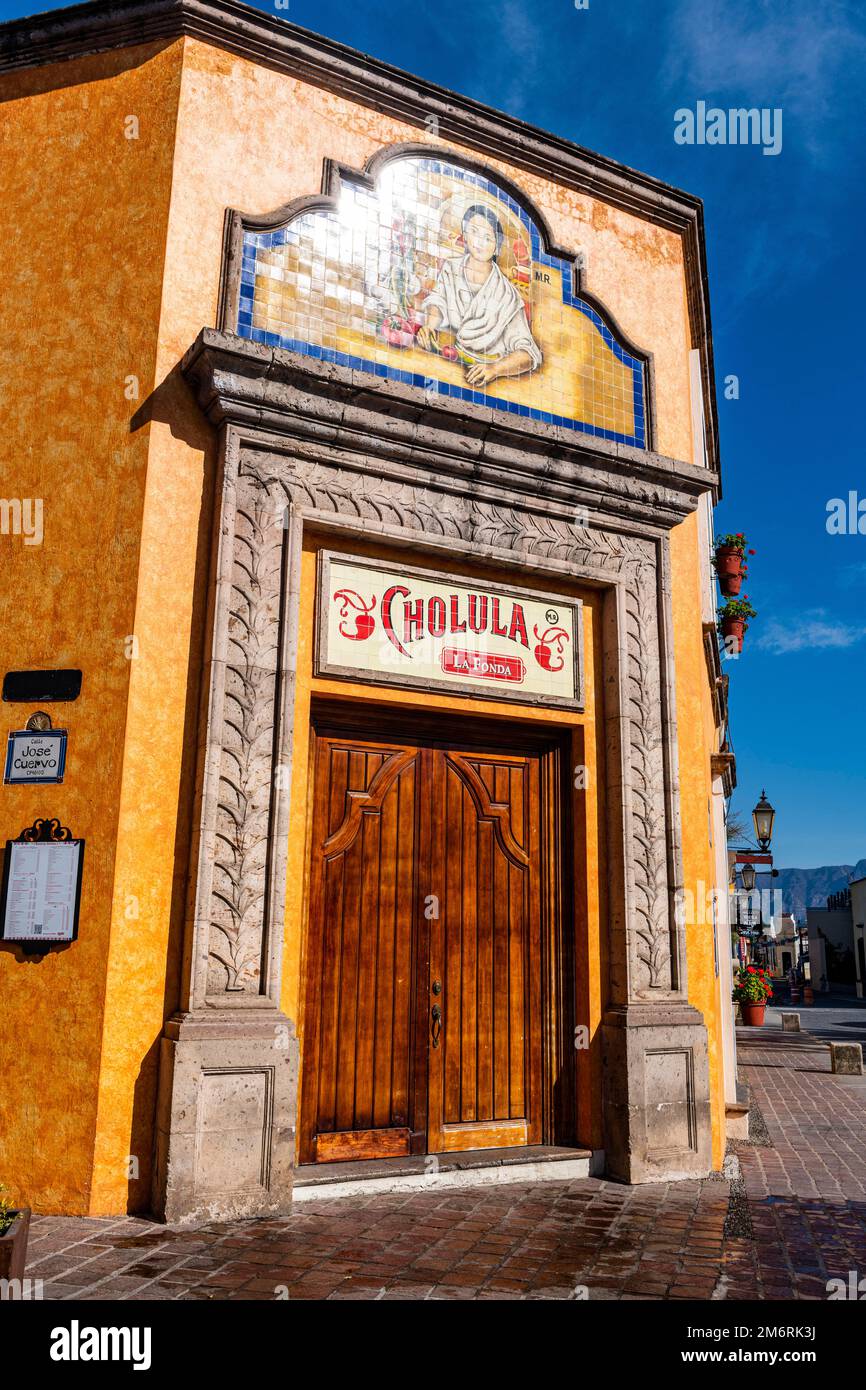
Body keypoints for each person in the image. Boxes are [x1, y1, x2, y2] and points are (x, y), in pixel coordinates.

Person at [416, 204, 542, 387]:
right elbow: (439, 301)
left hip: (486, 379)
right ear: (465, 235)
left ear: (496, 246)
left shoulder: (507, 296)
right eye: (474, 232)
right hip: (447, 363)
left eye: (488, 237)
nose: (479, 242)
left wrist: (494, 369)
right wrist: (429, 327)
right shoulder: (451, 269)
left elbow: (528, 353)